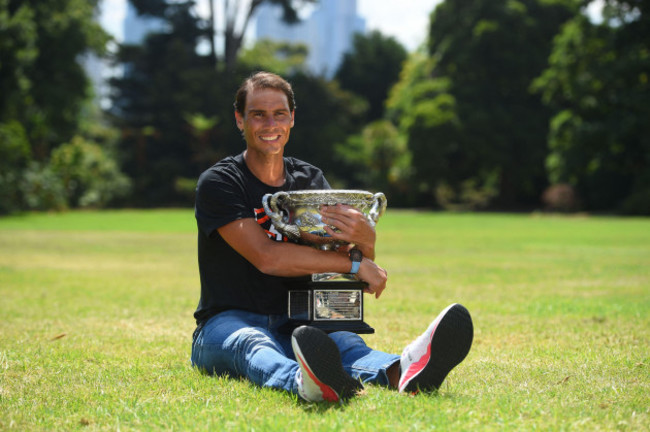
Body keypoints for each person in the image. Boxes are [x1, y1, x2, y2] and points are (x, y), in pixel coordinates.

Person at [191, 71, 474, 402]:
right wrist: (354, 264)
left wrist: (366, 240)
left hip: (302, 318)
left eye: (279, 113)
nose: (270, 124)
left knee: (346, 344)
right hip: (227, 321)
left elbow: (339, 265)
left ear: (292, 118)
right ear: (240, 120)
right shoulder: (221, 182)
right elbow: (267, 257)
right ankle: (302, 381)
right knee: (252, 343)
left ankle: (405, 370)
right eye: (258, 114)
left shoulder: (309, 180)